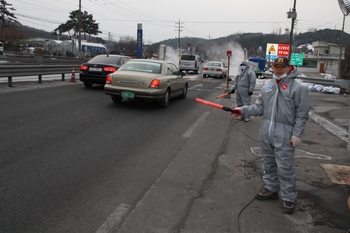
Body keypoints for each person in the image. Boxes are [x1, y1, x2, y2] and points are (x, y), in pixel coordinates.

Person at [231, 57, 311, 214]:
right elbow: (259, 108)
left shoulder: (297, 89)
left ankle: (289, 197)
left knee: (285, 167)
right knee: (268, 164)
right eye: (276, 66)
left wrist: (297, 134)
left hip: (285, 133)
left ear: (289, 68)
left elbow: (302, 115)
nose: (279, 69)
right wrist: (243, 110)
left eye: (283, 66)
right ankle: (271, 188)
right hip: (266, 131)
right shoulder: (268, 86)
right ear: (272, 67)